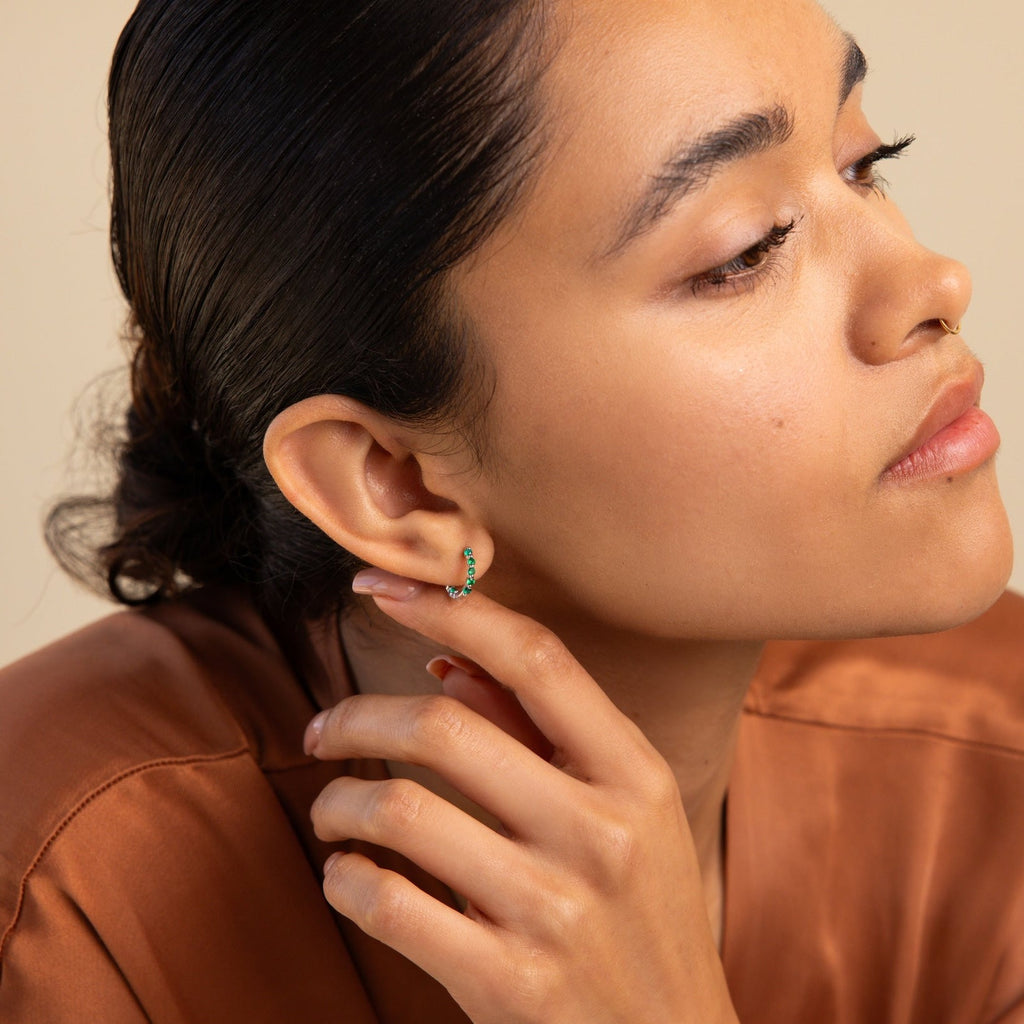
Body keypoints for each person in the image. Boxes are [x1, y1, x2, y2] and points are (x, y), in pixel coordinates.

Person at [1, 0, 1020, 1020]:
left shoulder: (990, 754)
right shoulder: (58, 899)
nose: (935, 282)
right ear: (395, 482)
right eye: (744, 251)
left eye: (862, 161)